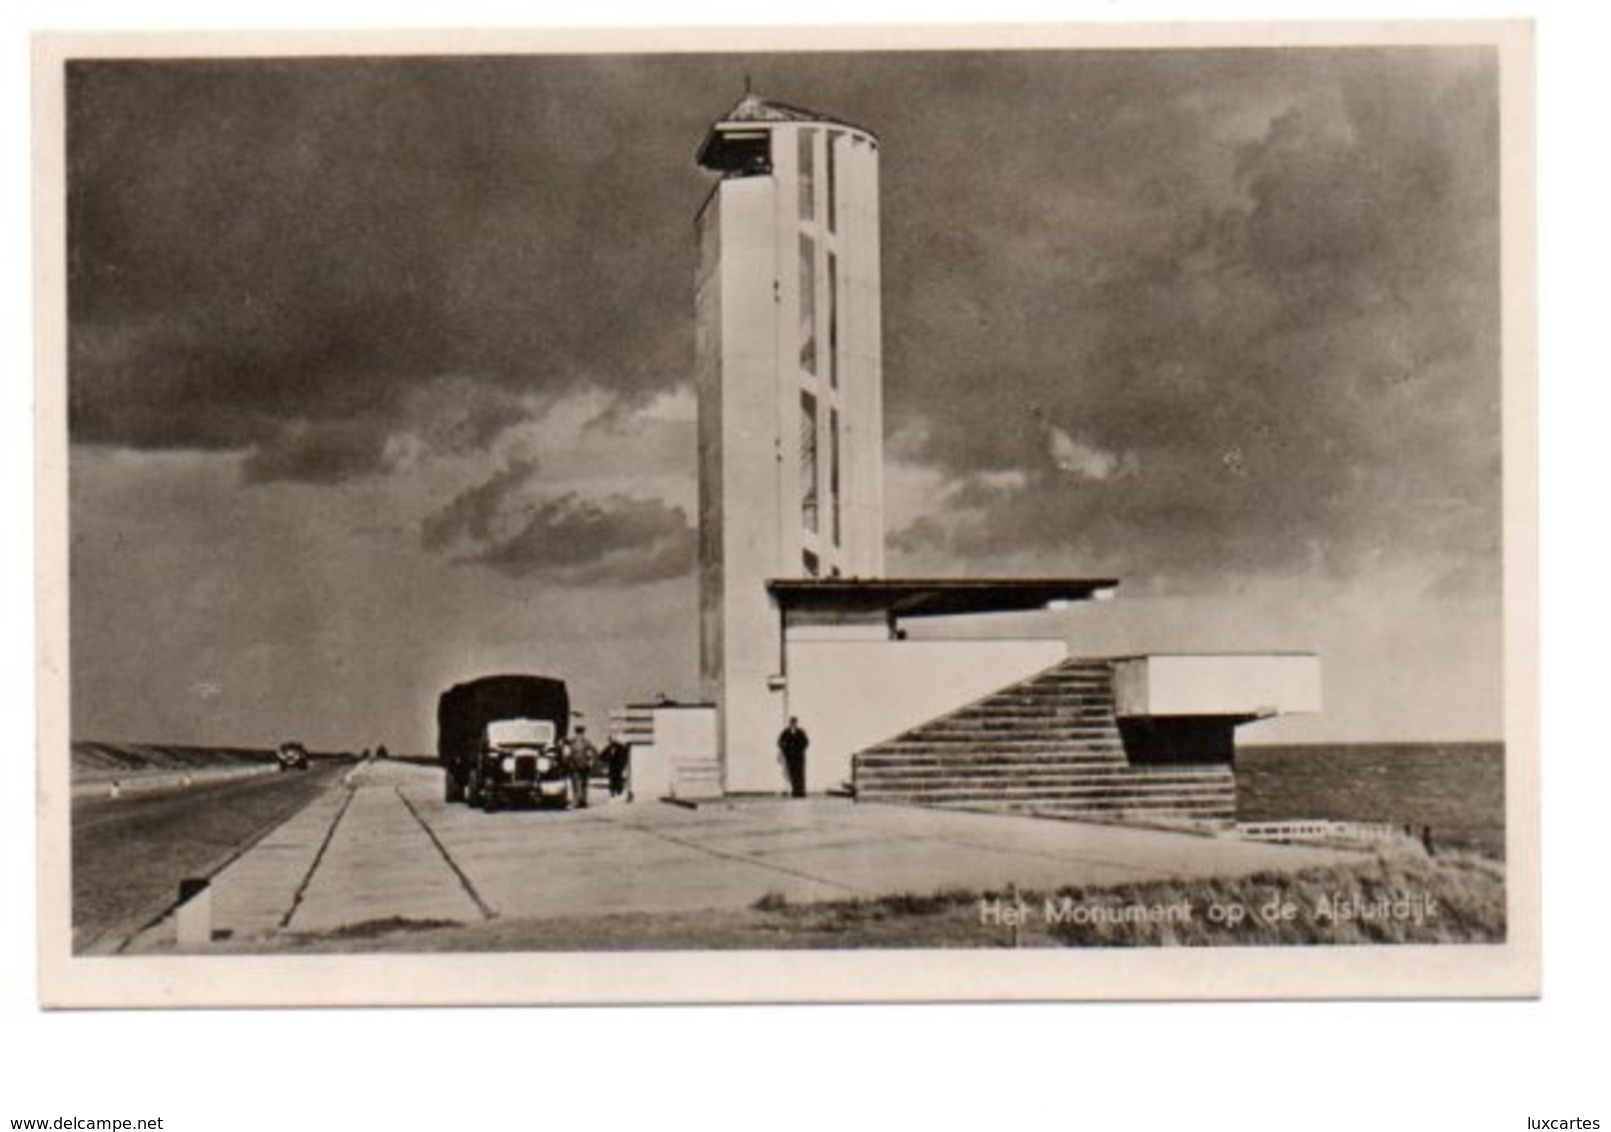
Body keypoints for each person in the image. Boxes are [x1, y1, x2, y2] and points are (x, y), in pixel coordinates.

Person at [564, 726, 597, 809]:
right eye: (578, 733)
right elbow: (566, 752)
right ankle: (577, 800)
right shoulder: (572, 741)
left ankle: (582, 801)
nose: (579, 735)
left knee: (583, 783)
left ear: (582, 733)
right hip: (574, 765)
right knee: (576, 783)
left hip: (583, 765)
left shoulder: (585, 742)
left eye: (580, 733)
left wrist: (591, 762)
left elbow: (594, 752)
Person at [777, 716, 809, 798]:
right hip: (790, 757)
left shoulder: (800, 732)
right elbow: (780, 742)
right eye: (792, 723)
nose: (793, 724)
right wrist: (785, 751)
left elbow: (806, 742)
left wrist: (800, 749)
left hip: (799, 757)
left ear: (796, 723)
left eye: (794, 723)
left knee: (800, 774)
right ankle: (795, 791)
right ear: (790, 723)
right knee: (792, 774)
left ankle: (801, 791)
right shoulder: (786, 732)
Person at [600, 732, 632, 799]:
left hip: (619, 766)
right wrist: (607, 759)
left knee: (618, 779)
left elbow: (624, 756)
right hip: (612, 766)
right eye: (610, 740)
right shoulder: (609, 748)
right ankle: (613, 792)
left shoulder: (620, 747)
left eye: (611, 739)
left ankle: (618, 792)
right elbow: (601, 756)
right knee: (612, 779)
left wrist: (622, 764)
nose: (610, 741)